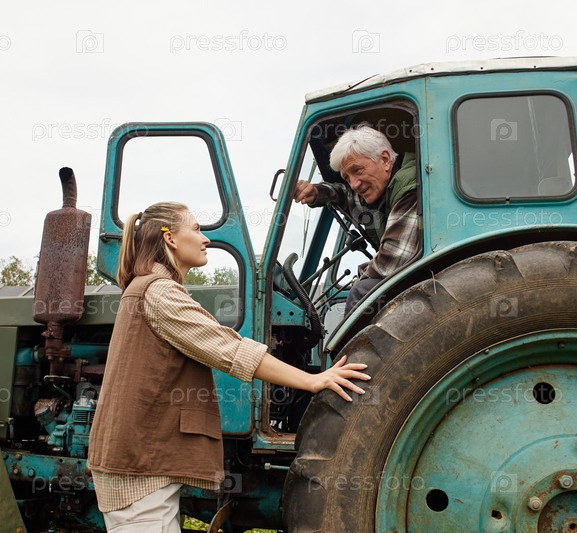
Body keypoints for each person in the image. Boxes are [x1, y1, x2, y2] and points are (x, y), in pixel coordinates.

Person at [87, 201, 370, 532]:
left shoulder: (147, 286)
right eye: (196, 229)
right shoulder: (159, 293)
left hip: (138, 463)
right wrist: (313, 380)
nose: (205, 238)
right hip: (138, 467)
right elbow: (232, 350)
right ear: (170, 239)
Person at [293, 124, 420, 312]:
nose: (354, 184)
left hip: (431, 277)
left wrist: (360, 275)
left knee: (363, 290)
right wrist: (316, 192)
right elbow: (343, 194)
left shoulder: (410, 186)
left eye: (357, 170)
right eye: (347, 177)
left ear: (385, 160)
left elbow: (392, 261)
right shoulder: (382, 190)